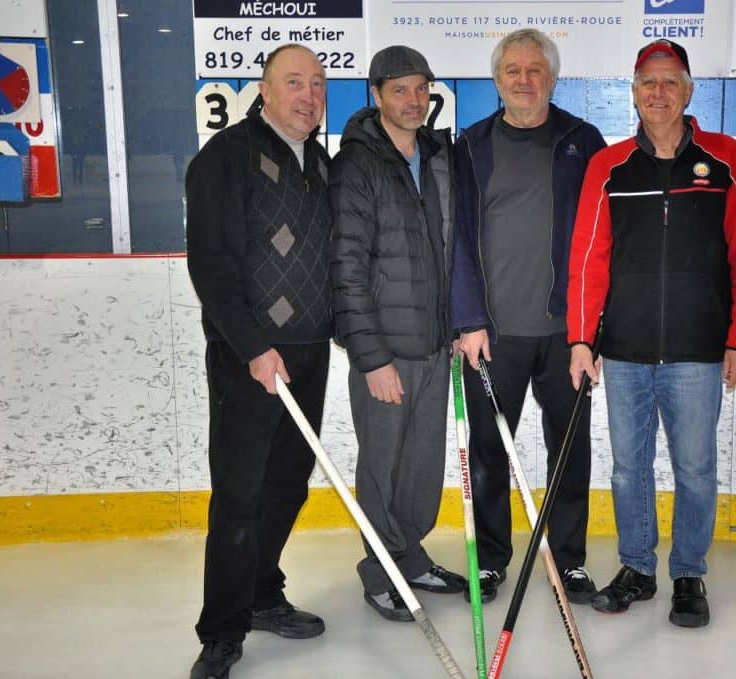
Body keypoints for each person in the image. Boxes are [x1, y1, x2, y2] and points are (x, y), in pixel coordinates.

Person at [567, 39, 736, 627]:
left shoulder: (726, 159)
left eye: (669, 82)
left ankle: (688, 573)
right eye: (647, 83)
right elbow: (588, 258)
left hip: (697, 351)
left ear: (688, 90)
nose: (658, 93)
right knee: (628, 469)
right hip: (625, 351)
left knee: (696, 469)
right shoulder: (608, 168)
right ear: (633, 93)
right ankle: (637, 567)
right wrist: (583, 337)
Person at [185, 44, 333, 678]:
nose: (308, 95)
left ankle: (262, 593)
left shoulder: (319, 163)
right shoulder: (225, 158)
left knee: (286, 487)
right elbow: (211, 267)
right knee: (240, 496)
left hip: (309, 351)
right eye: (293, 82)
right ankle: (221, 629)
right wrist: (251, 347)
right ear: (264, 92)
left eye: (318, 84)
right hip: (248, 357)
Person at [451, 28, 607, 603]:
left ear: (552, 78)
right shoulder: (468, 147)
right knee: (492, 454)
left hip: (568, 337)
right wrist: (467, 320)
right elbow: (457, 243)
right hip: (492, 338)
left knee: (571, 450)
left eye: (535, 70)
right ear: (497, 81)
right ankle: (491, 561)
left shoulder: (582, 141)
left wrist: (590, 332)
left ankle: (569, 561)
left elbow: (601, 241)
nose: (524, 80)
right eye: (512, 71)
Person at [330, 45, 466, 622]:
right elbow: (346, 267)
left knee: (421, 466)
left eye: (420, 89)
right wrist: (371, 356)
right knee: (382, 466)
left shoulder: (439, 155)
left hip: (435, 343)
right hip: (385, 350)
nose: (413, 101)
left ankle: (410, 557)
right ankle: (381, 570)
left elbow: (456, 248)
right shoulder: (357, 165)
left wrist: (458, 326)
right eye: (399, 90)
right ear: (377, 95)